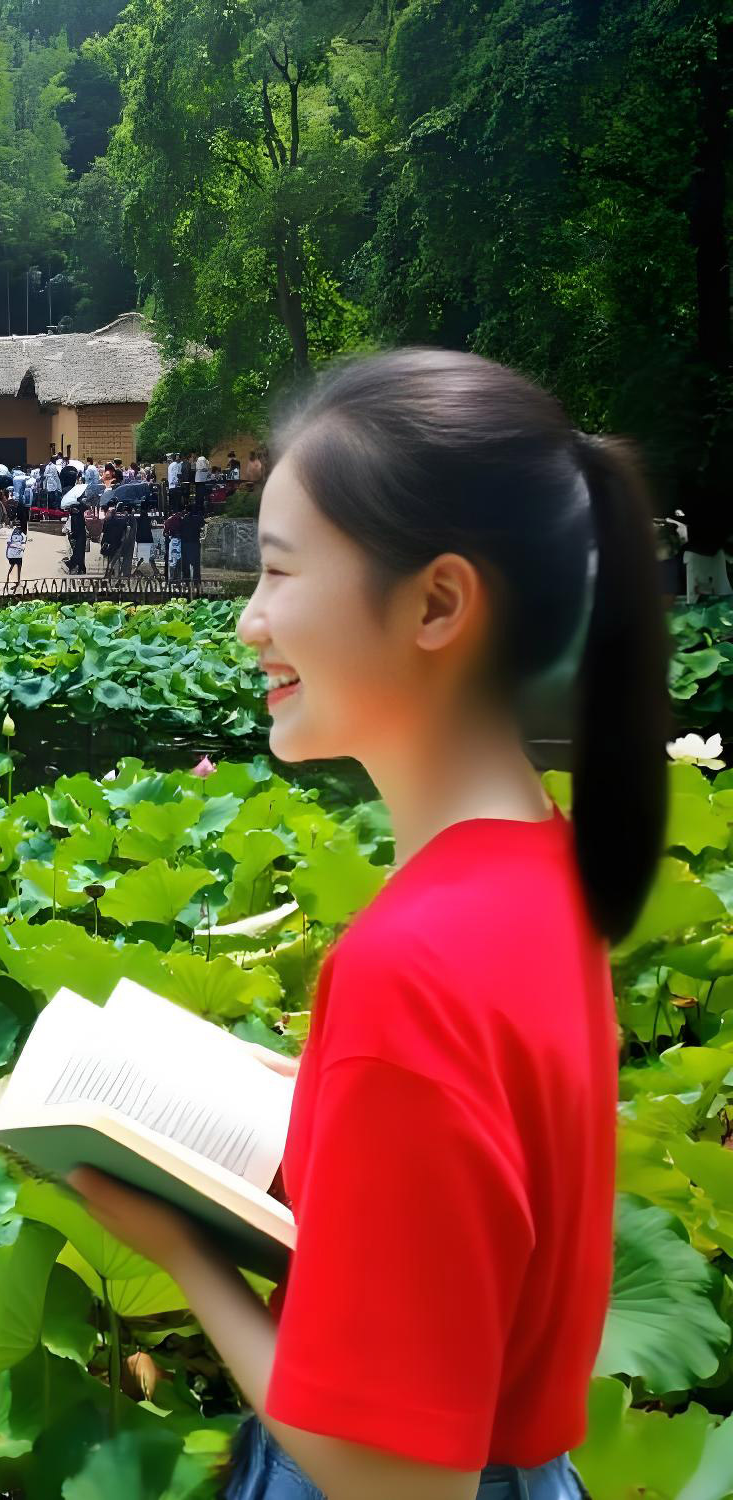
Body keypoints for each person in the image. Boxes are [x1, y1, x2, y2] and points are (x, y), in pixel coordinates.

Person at [68, 347, 665, 1500]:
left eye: (279, 574)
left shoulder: (410, 969)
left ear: (436, 602)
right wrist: (320, 1094)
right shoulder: (543, 863)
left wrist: (185, 1256)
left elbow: (392, 1482)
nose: (247, 622)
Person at [67, 499, 88, 574]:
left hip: (80, 535)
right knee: (78, 551)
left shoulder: (79, 515)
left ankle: (77, 566)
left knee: (79, 551)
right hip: (77, 535)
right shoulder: (74, 516)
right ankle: (79, 566)